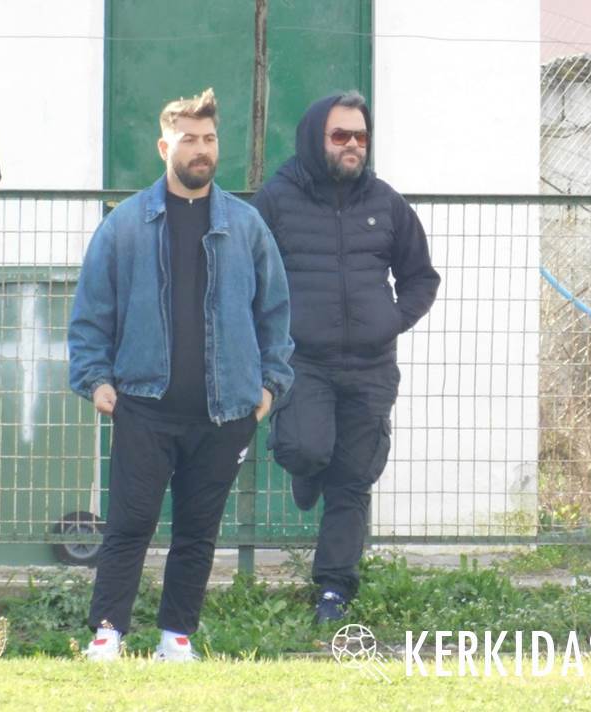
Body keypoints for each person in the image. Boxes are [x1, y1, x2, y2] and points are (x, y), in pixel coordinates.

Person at [68, 88, 293, 662]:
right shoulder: (125, 225)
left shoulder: (246, 226)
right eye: (189, 139)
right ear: (164, 147)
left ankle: (176, 637)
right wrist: (96, 381)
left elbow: (275, 313)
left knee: (197, 531)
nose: (201, 149)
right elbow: (91, 311)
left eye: (209, 139)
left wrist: (268, 388)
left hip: (226, 410)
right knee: (130, 525)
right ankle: (108, 633)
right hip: (143, 404)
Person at [252, 92, 440, 623]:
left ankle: (334, 591)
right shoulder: (277, 201)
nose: (353, 144)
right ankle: (305, 469)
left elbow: (420, 276)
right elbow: (247, 275)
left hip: (371, 366)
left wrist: (392, 320)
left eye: (360, 136)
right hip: (303, 361)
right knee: (307, 449)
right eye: (341, 136)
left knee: (353, 479)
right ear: (316, 139)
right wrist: (269, 335)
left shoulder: (386, 203)